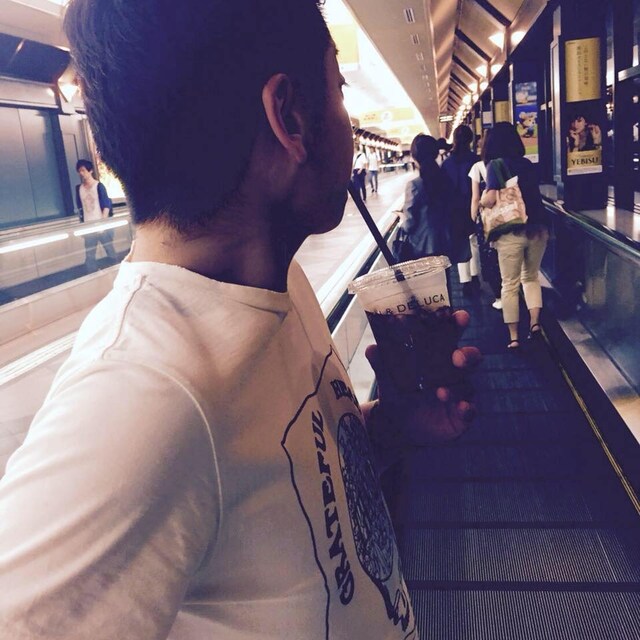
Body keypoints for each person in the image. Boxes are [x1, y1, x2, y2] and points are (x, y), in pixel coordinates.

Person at [0, 2, 480, 639]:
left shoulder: (277, 282)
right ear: (291, 117)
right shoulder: (143, 392)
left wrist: (389, 427)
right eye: (339, 90)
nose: (347, 117)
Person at [480, 122, 551, 349]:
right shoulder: (527, 164)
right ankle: (535, 323)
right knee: (530, 278)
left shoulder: (495, 165)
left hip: (512, 231)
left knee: (509, 284)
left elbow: (490, 199)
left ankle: (514, 338)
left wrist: (481, 200)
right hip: (538, 228)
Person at [441, 126, 479, 297]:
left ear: (454, 140)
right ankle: (475, 276)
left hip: (454, 210)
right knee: (474, 241)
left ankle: (465, 282)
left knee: (461, 243)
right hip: (474, 205)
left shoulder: (447, 163)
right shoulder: (476, 160)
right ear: (470, 140)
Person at [400, 134, 450, 260]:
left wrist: (402, 219)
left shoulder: (414, 185)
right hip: (445, 242)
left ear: (414, 157)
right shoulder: (446, 179)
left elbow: (409, 224)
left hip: (422, 248)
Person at [468, 132, 502, 310]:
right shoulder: (506, 164)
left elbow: (475, 198)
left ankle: (499, 296)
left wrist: (474, 217)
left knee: (490, 257)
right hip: (507, 217)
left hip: (488, 221)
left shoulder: (478, 167)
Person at [75, 158, 117, 270]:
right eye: (79, 171)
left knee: (109, 249)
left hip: (101, 225)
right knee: (90, 254)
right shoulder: (79, 189)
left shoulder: (99, 186)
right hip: (88, 226)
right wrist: (82, 225)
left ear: (90, 171)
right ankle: (91, 272)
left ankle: (115, 268)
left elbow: (106, 205)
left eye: (83, 170)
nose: (81, 173)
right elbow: (80, 208)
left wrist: (103, 223)